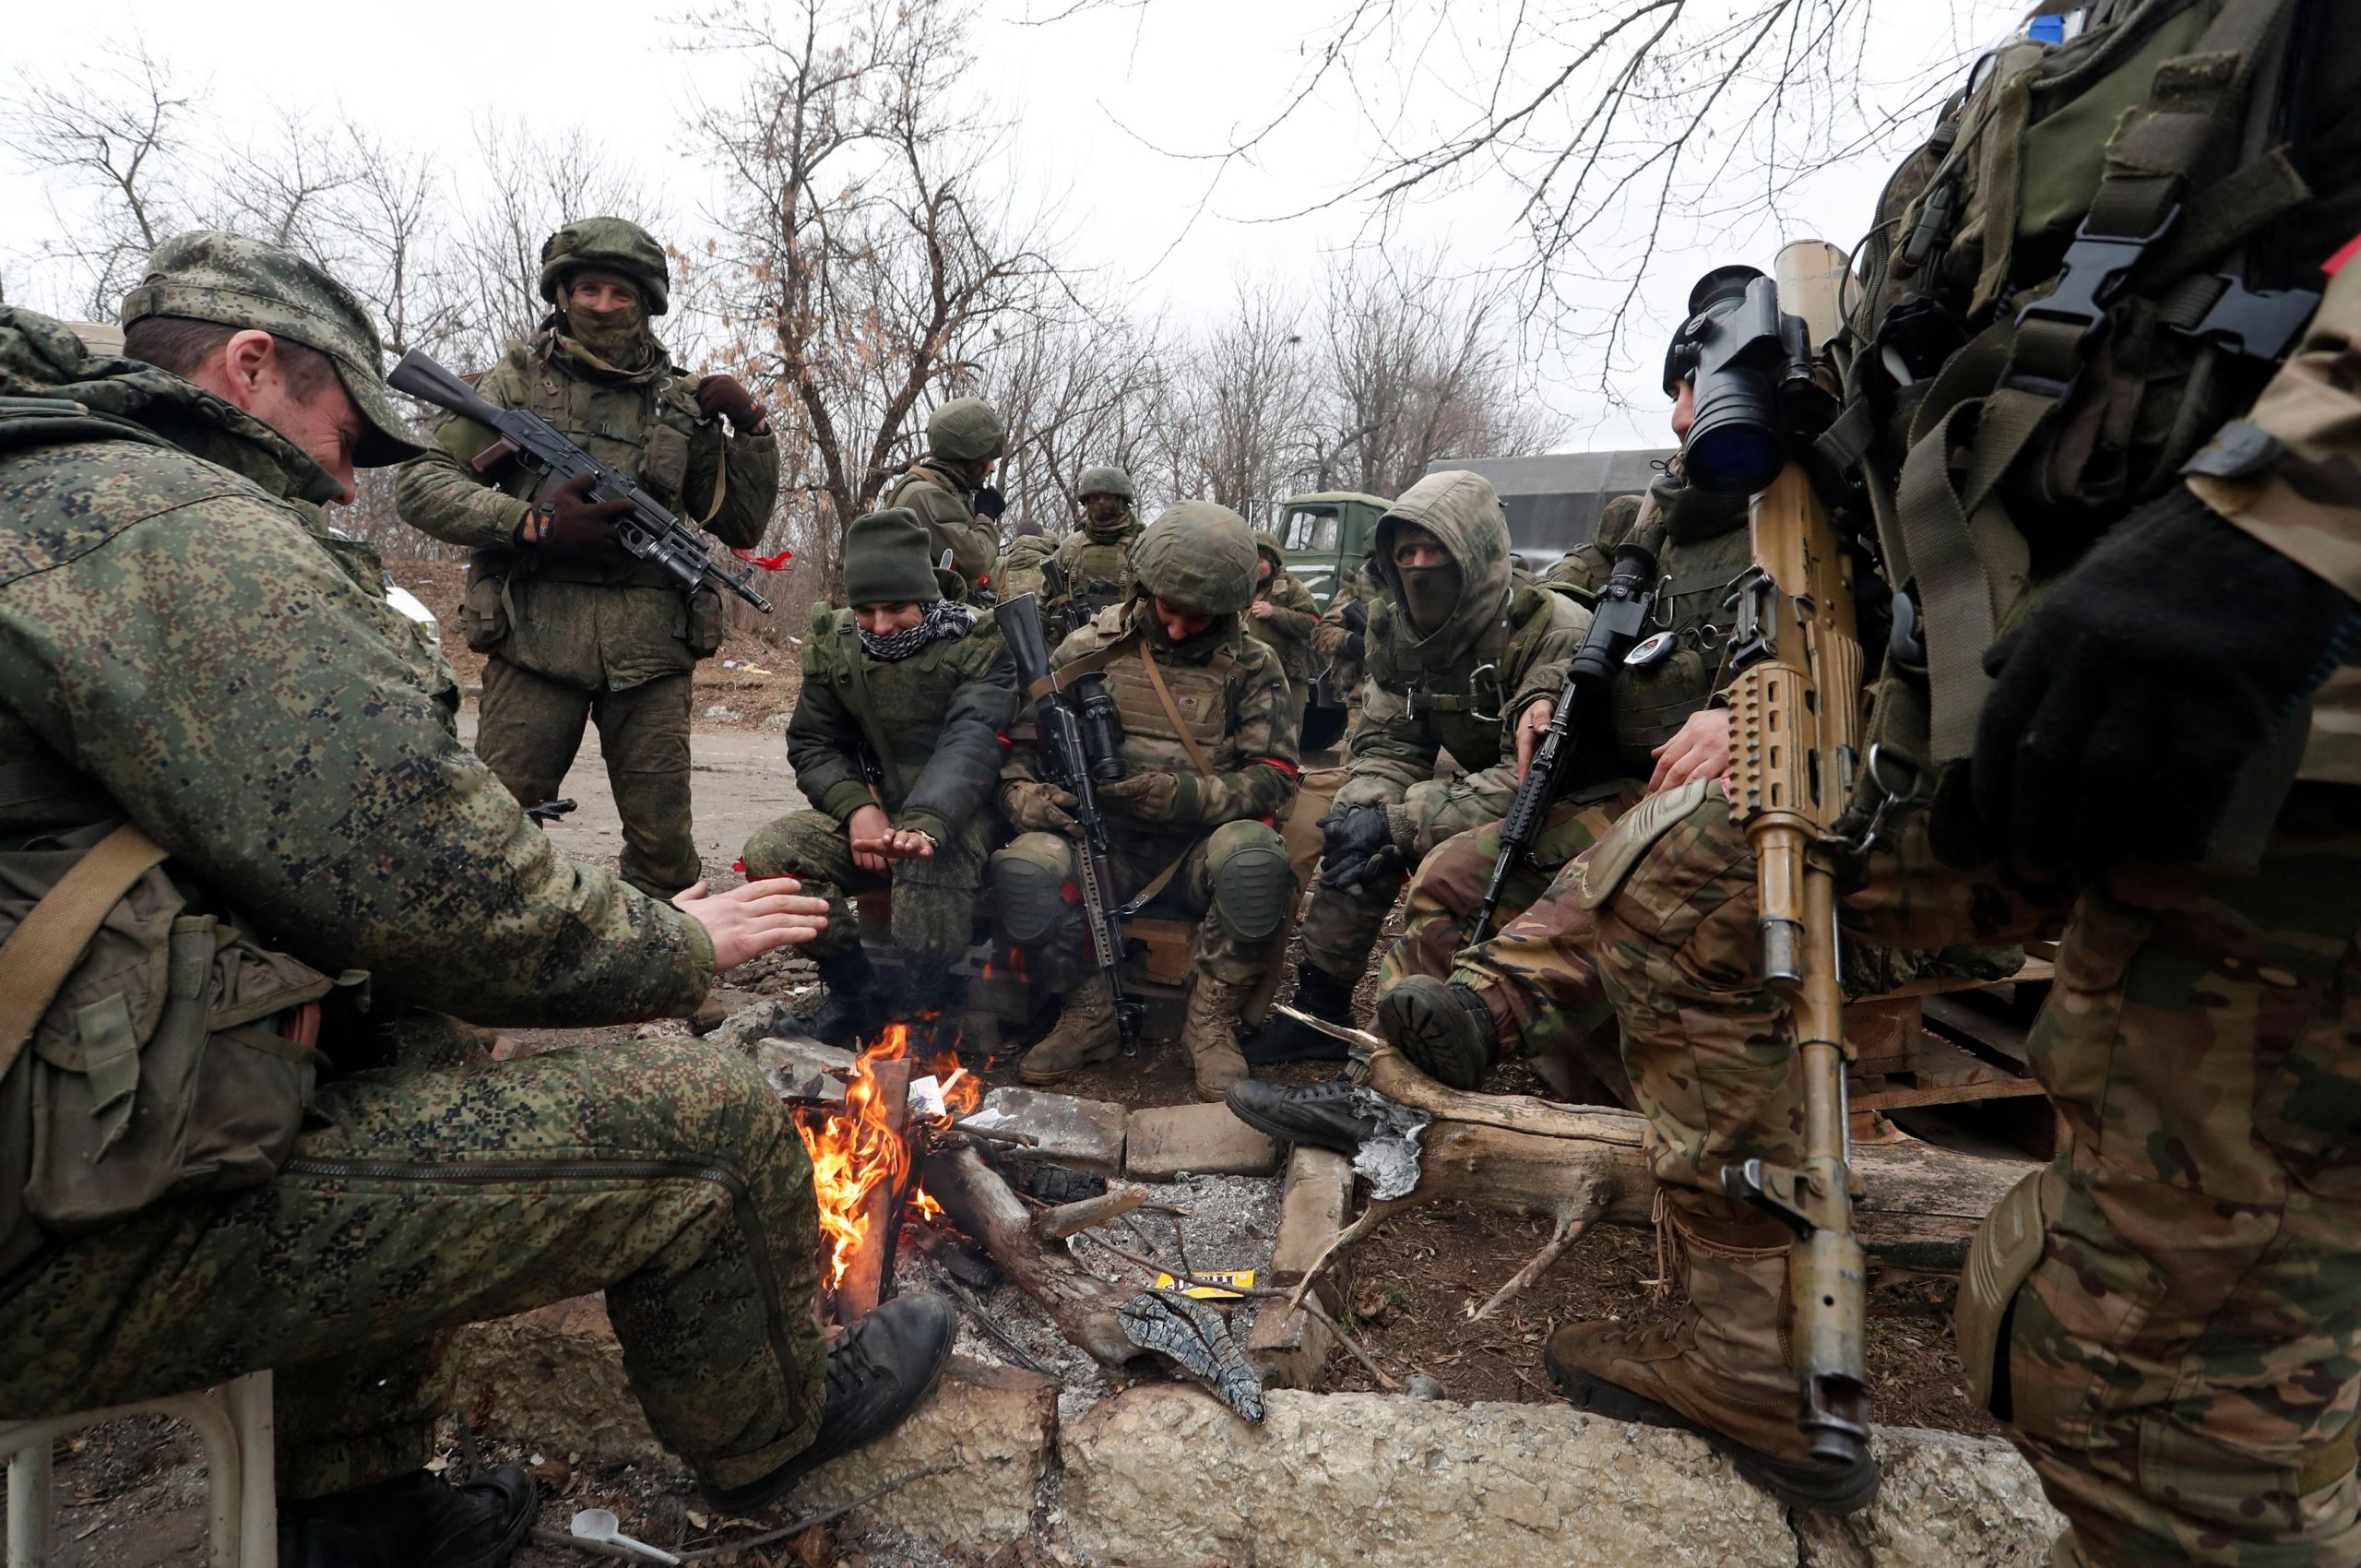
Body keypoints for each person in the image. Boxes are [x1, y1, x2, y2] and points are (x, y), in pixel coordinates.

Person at [0, 234, 955, 1568]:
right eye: (349, 440)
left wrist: (743, 441)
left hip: (41, 1141)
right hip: (41, 1244)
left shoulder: (46, 489)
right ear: (251, 363)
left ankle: (355, 1511)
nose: (351, 480)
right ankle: (773, 1430)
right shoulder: (167, 527)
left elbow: (389, 877)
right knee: (705, 1121)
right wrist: (675, 944)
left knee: (412, 1026)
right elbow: (431, 879)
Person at [1560, 4, 2361, 1557]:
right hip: (2024, 711)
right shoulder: (2046, 65)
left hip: (2296, 734)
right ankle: (1750, 1357)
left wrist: (2287, 519)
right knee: (1691, 891)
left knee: (2159, 1401)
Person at [394, 217, 778, 902]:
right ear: (561, 293)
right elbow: (421, 485)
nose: (602, 306)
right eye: (589, 289)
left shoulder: (679, 403)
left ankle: (675, 973)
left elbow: (741, 524)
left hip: (650, 648)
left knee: (665, 845)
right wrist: (532, 524)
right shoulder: (514, 386)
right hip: (535, 636)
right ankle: (483, 984)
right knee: (497, 829)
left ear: (647, 302)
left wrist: (751, 428)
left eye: (619, 294)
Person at [1244, 469, 1589, 1064]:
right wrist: (1371, 806)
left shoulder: (1552, 630)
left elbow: (1532, 775)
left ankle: (1404, 1045)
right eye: (1407, 552)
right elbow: (1389, 741)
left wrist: (1404, 821)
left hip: (1577, 796)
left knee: (1441, 867)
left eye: (1436, 550)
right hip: (1485, 785)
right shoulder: (1401, 630)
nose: (1420, 565)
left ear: (1476, 552)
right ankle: (1321, 1011)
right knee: (1356, 830)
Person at [991, 503, 1300, 1099]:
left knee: (1257, 859)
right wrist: (1026, 801)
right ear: (1144, 587)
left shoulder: (1254, 666)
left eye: (1200, 617)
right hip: (1100, 844)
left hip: (1197, 852)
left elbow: (1278, 778)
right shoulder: (1085, 647)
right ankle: (1089, 1014)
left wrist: (1185, 797)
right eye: (1169, 609)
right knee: (1025, 865)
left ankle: (1208, 1025)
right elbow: (1021, 750)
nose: (1180, 629)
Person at [742, 508, 1015, 1047]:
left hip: (962, 814)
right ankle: (855, 993)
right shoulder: (836, 643)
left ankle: (921, 1012)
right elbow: (814, 742)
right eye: (866, 611)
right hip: (873, 808)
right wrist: (857, 810)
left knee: (926, 861)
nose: (882, 626)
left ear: (927, 598)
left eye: (896, 609)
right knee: (771, 853)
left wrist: (922, 823)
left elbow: (973, 739)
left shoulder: (976, 641)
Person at [879, 398, 1007, 601]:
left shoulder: (946, 490)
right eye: (987, 458)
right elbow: (976, 560)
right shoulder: (924, 495)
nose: (992, 467)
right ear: (970, 458)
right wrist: (986, 517)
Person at [1040, 464, 1145, 640]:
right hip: (1073, 644)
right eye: (1095, 498)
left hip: (1127, 645)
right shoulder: (1071, 546)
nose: (1101, 503)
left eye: (1108, 497)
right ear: (1086, 502)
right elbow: (1043, 602)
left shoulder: (1143, 544)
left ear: (1122, 500)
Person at [1246, 530, 1321, 736]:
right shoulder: (1242, 586)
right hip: (1250, 676)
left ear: (1273, 561)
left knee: (1286, 734)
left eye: (1260, 560)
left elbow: (1314, 625)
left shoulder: (1291, 587)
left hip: (1287, 678)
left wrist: (1274, 613)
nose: (1255, 565)